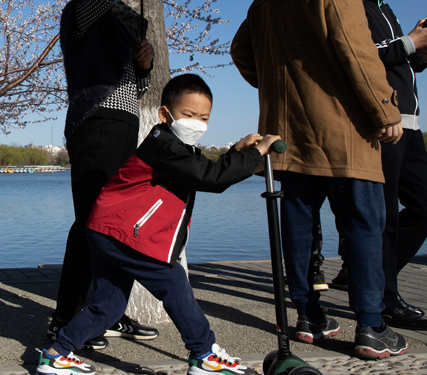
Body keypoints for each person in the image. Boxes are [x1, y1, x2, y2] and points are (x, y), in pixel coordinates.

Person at [231, 0, 410, 360]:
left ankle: (309, 318)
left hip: (286, 133)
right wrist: (384, 107)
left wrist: (277, 86)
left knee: (298, 226)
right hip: (342, 128)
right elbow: (356, 50)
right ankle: (371, 326)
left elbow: (241, 50)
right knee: (364, 225)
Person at [36, 74, 279, 375]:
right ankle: (204, 354)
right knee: (174, 283)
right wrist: (256, 153)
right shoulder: (164, 146)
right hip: (123, 233)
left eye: (204, 118)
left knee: (108, 306)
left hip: (108, 231)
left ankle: (56, 354)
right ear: (165, 114)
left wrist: (236, 152)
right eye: (188, 115)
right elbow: (211, 178)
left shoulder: (175, 148)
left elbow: (205, 171)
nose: (197, 123)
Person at [51, 0, 158, 349]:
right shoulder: (79, 12)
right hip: (94, 121)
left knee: (114, 225)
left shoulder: (129, 19)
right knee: (90, 222)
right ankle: (65, 315)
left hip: (126, 124)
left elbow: (137, 87)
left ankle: (107, 311)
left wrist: (144, 65)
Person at [351, 0, 427, 331]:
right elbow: (362, 58)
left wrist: (421, 56)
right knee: (386, 215)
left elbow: (394, 60)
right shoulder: (353, 3)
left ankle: (369, 272)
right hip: (382, 122)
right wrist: (410, 42)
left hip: (410, 122)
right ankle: (385, 298)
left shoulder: (384, 7)